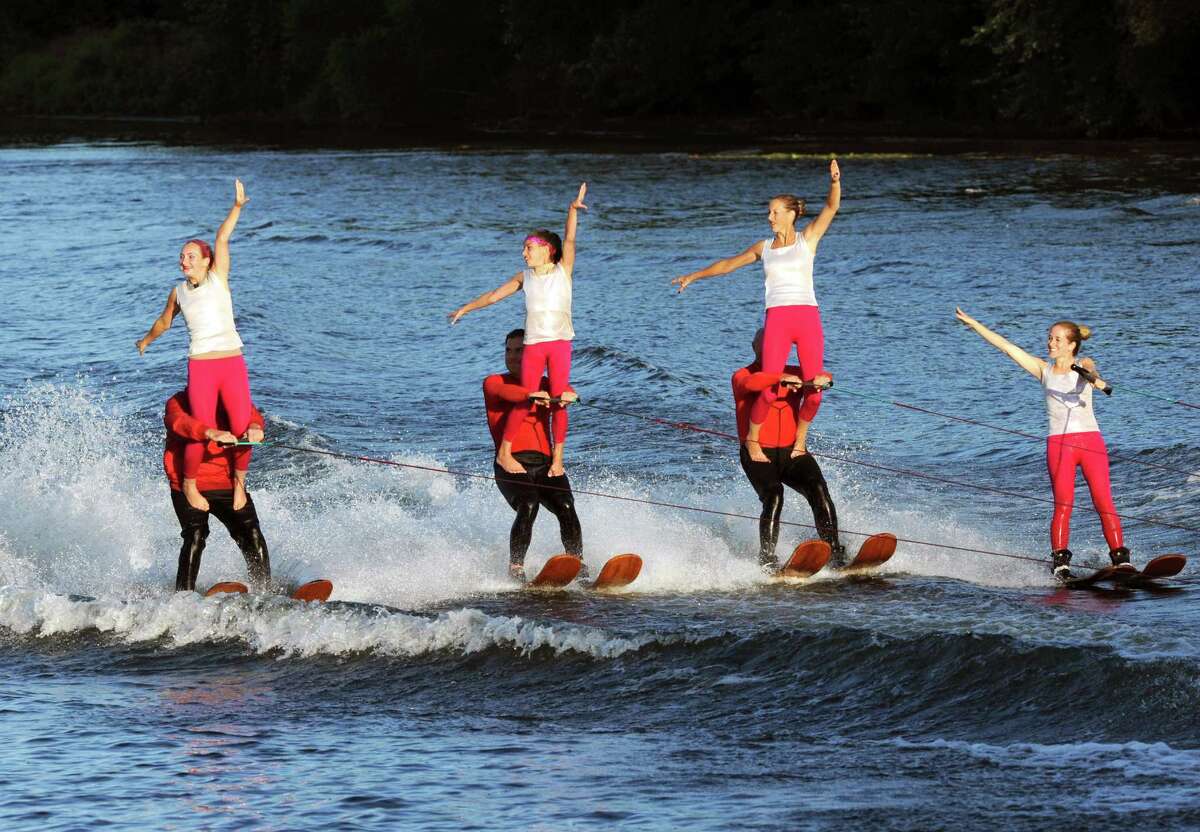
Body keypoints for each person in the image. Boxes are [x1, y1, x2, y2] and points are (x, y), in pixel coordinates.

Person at [674, 161, 841, 462]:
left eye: (775, 212)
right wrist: (694, 276)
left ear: (791, 214)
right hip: (777, 319)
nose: (769, 217)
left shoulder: (807, 239)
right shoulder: (763, 248)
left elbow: (831, 207)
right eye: (769, 212)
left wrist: (834, 183)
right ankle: (753, 442)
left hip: (807, 318)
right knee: (769, 387)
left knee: (815, 391)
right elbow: (728, 264)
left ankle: (800, 441)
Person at [955, 308, 1126, 581]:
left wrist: (1091, 376)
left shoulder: (1084, 364)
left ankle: (1121, 560)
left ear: (1071, 345)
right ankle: (1060, 564)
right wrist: (975, 324)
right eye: (1049, 338)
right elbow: (1008, 348)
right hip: (1060, 446)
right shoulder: (1043, 370)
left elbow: (1091, 368)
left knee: (1104, 501)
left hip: (1091, 441)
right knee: (1063, 505)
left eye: (1057, 339)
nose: (1050, 343)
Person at [450, 183, 588, 477]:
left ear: (547, 250)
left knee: (560, 401)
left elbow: (570, 239)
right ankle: (504, 453)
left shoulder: (563, 270)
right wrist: (466, 308)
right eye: (524, 248)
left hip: (561, 343)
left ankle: (558, 461)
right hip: (535, 344)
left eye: (529, 248)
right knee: (527, 396)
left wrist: (572, 210)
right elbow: (493, 296)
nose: (524, 253)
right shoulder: (524, 277)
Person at [138, 179, 255, 514]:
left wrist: (236, 207)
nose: (184, 261)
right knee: (202, 430)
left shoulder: (218, 278)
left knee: (242, 428)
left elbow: (222, 237)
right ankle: (189, 484)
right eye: (181, 256)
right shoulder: (178, 292)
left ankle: (239, 482)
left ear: (206, 261)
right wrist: (146, 340)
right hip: (201, 365)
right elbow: (164, 322)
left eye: (191, 256)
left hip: (232, 362)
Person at [733, 329, 841, 574]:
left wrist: (821, 381)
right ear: (754, 346)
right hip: (757, 454)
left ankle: (835, 553)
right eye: (764, 344)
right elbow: (752, 384)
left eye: (774, 345)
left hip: (792, 453)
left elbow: (824, 375)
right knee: (774, 495)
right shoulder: (742, 375)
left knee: (818, 489)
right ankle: (767, 559)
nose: (769, 348)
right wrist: (778, 378)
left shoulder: (795, 373)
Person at [484, 328, 585, 582]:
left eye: (519, 350)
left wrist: (569, 394)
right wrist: (529, 395)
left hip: (546, 465)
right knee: (528, 504)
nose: (512, 356)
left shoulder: (545, 384)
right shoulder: (494, 382)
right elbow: (509, 394)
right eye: (508, 350)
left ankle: (578, 564)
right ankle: (516, 568)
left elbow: (566, 390)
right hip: (510, 464)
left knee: (566, 505)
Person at [163, 389, 270, 592]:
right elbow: (179, 423)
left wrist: (255, 428)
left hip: (226, 483)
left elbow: (252, 416)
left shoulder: (232, 400)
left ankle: (264, 590)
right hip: (187, 484)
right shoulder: (177, 402)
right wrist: (210, 432)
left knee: (251, 531)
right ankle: (183, 595)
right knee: (196, 534)